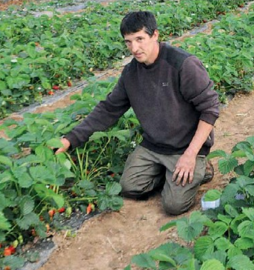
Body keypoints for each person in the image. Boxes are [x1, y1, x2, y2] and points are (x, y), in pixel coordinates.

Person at [56, 11, 220, 215]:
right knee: (129, 187)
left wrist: (190, 154)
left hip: (186, 146)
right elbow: (108, 109)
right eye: (128, 42)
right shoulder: (131, 73)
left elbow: (210, 109)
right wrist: (70, 140)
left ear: (155, 35)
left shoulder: (182, 65)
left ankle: (200, 168)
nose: (134, 48)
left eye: (140, 39)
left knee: (173, 206)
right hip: (153, 146)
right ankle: (170, 173)